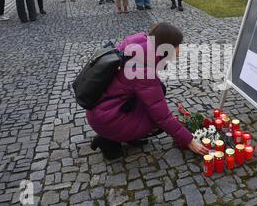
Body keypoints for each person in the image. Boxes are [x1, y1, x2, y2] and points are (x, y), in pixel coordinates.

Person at [86, 23, 209, 159]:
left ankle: (128, 135)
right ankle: (109, 141)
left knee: (159, 90)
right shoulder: (143, 70)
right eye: (176, 46)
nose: (179, 50)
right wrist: (189, 140)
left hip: (103, 108)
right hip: (106, 119)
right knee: (157, 122)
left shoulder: (141, 45)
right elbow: (162, 117)